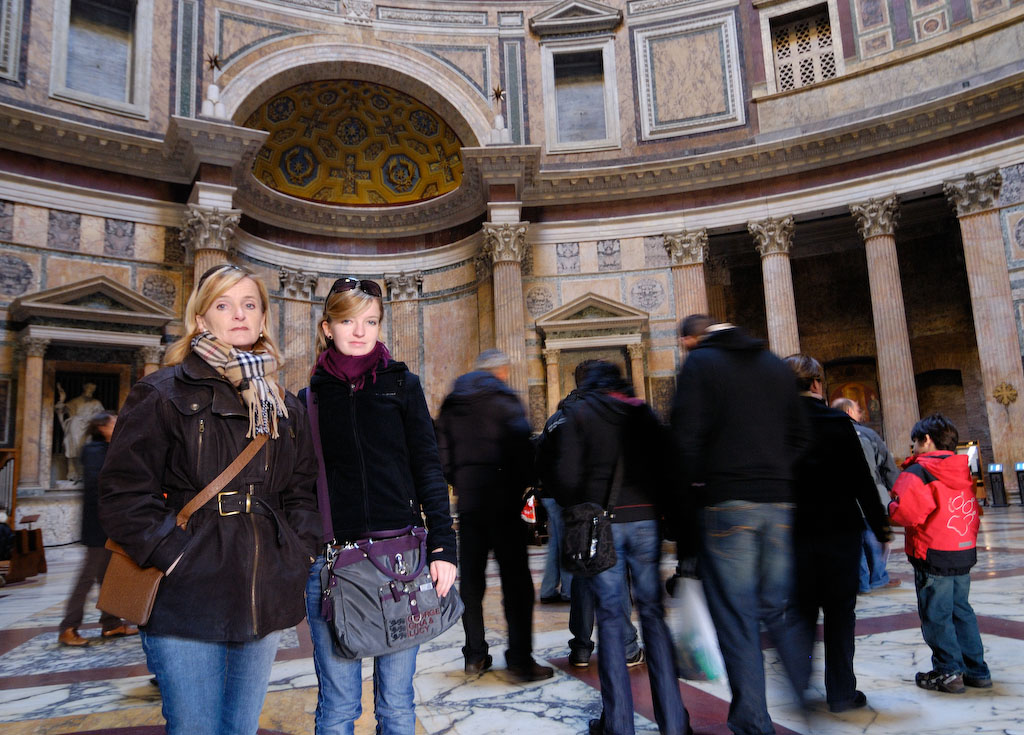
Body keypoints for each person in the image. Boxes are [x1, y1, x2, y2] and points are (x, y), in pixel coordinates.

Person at [99, 264, 321, 735]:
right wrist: (173, 557)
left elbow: (301, 490)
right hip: (186, 593)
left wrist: (297, 555)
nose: (238, 315)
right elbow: (123, 493)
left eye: (249, 305)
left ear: (262, 320)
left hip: (261, 588)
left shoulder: (284, 404)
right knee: (195, 728)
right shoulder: (160, 394)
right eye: (223, 305)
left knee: (240, 728)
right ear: (201, 320)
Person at [304, 277, 458, 734]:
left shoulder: (402, 386)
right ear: (327, 327)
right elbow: (300, 485)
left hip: (401, 562)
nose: (360, 331)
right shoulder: (309, 398)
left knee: (396, 704)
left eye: (370, 321)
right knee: (337, 707)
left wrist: (443, 547)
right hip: (336, 565)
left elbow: (428, 468)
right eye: (348, 320)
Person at [670, 317, 810, 735]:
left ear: (691, 339)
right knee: (779, 609)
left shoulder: (701, 364)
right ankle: (808, 703)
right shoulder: (772, 364)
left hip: (728, 503)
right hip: (779, 503)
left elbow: (684, 441)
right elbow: (802, 435)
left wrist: (704, 485)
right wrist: (773, 471)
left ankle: (753, 720)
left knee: (737, 616)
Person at [555, 361, 689, 735]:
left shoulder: (580, 414)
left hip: (604, 527)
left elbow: (565, 479)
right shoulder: (642, 412)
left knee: (612, 622)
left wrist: (585, 499)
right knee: (654, 620)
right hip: (647, 524)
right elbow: (669, 468)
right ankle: (675, 723)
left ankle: (618, 725)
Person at [436, 349, 553, 681]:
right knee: (516, 583)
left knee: (471, 584)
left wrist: (462, 482)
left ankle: (474, 655)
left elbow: (441, 455)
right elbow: (523, 449)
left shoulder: (452, 403)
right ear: (499, 371)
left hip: (470, 504)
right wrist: (521, 484)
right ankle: (519, 660)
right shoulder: (505, 399)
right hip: (502, 502)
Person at [787, 355, 891, 713]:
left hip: (794, 532)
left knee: (799, 612)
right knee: (840, 613)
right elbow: (861, 478)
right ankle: (842, 693)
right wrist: (880, 524)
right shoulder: (836, 421)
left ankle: (798, 689)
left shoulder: (776, 423)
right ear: (817, 384)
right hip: (838, 530)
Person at [536, 359, 642, 669]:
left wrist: (564, 499)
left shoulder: (558, 417)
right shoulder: (613, 413)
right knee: (616, 575)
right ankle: (627, 646)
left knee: (582, 576)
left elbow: (542, 464)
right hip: (613, 506)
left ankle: (581, 648)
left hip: (575, 510)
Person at [889, 413, 991, 694]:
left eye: (915, 441)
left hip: (933, 552)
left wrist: (891, 508)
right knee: (962, 610)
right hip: (962, 550)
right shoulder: (962, 469)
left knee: (936, 614)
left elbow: (907, 514)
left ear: (927, 440)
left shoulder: (919, 471)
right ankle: (976, 670)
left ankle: (948, 671)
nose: (914, 447)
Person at [58, 411, 138, 646]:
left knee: (107, 576)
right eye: (114, 423)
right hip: (98, 524)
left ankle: (111, 624)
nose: (118, 426)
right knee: (87, 577)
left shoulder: (107, 450)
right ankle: (68, 627)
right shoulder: (94, 451)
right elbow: (98, 486)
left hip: (109, 523)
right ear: (102, 427)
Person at [831, 397, 901, 594]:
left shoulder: (826, 435)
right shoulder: (869, 434)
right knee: (875, 539)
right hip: (872, 497)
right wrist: (896, 491)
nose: (860, 414)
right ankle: (878, 578)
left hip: (842, 500)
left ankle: (861, 582)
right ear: (849, 412)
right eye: (857, 410)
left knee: (854, 543)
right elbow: (888, 466)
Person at [55, 382, 105, 482]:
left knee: (87, 447)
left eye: (92, 390)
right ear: (84, 389)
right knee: (73, 445)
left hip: (89, 427)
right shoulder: (75, 401)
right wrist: (61, 400)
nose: (90, 392)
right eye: (89, 390)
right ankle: (72, 472)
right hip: (76, 425)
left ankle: (83, 473)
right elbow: (62, 409)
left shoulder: (96, 403)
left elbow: (102, 416)